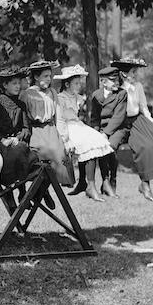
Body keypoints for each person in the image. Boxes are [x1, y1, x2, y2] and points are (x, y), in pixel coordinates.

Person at [111, 57, 153, 206]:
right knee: (146, 147)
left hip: (139, 119)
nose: (135, 75)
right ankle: (144, 183)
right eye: (133, 72)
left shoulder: (137, 86)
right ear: (124, 74)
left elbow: (143, 107)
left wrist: (152, 124)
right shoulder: (117, 90)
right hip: (125, 122)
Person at [54, 65, 114, 202]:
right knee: (87, 144)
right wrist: (65, 139)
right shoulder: (60, 98)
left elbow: (77, 116)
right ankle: (90, 186)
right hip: (67, 128)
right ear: (67, 84)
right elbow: (60, 120)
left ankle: (85, 182)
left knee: (97, 140)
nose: (79, 85)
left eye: (80, 82)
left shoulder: (77, 97)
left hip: (77, 125)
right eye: (76, 83)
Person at [19, 60, 73, 187]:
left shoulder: (52, 92)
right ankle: (40, 188)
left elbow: (58, 115)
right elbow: (23, 116)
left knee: (59, 152)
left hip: (50, 128)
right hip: (35, 130)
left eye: (50, 76)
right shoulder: (26, 94)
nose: (49, 79)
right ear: (36, 77)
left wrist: (64, 136)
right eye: (45, 76)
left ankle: (55, 182)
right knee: (43, 154)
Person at [87, 67, 129, 197]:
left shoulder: (122, 94)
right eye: (112, 80)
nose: (116, 82)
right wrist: (96, 132)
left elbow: (118, 117)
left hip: (117, 129)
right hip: (100, 129)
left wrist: (105, 134)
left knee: (110, 147)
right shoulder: (96, 95)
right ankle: (105, 181)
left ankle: (112, 180)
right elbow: (94, 118)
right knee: (99, 147)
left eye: (117, 80)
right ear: (104, 82)